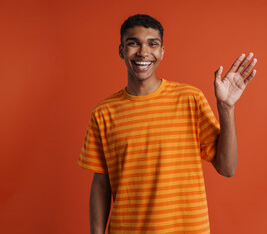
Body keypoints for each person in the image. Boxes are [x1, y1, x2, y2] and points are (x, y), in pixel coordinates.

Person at [78, 14, 257, 234]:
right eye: (134, 43)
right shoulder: (103, 113)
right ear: (121, 50)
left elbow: (227, 168)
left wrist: (226, 107)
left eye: (152, 44)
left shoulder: (190, 99)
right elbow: (101, 183)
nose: (143, 52)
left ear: (162, 51)